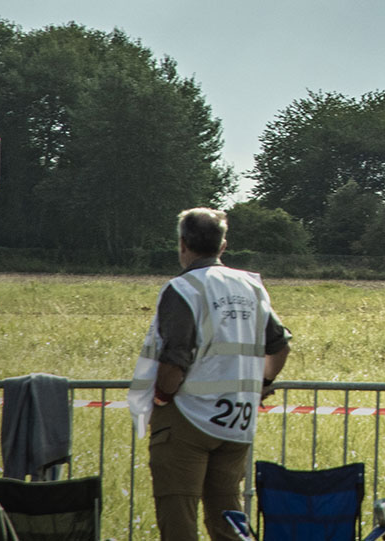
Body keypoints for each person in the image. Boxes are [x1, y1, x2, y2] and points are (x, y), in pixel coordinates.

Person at [128, 208, 291, 541]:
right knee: (229, 520)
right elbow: (280, 346)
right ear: (223, 245)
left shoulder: (183, 289)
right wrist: (262, 384)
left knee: (178, 517)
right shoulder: (252, 287)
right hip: (237, 422)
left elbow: (175, 361)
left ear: (183, 243)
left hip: (187, 417)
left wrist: (161, 397)